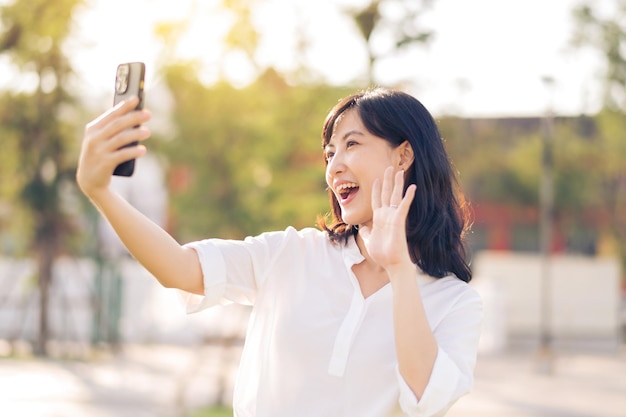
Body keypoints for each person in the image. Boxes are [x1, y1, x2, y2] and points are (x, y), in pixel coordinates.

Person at [77, 87, 482, 417]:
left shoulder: (456, 302)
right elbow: (179, 269)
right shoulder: (292, 254)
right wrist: (101, 193)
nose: (334, 166)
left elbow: (427, 397)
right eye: (330, 154)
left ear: (404, 154)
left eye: (351, 145)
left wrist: (399, 268)